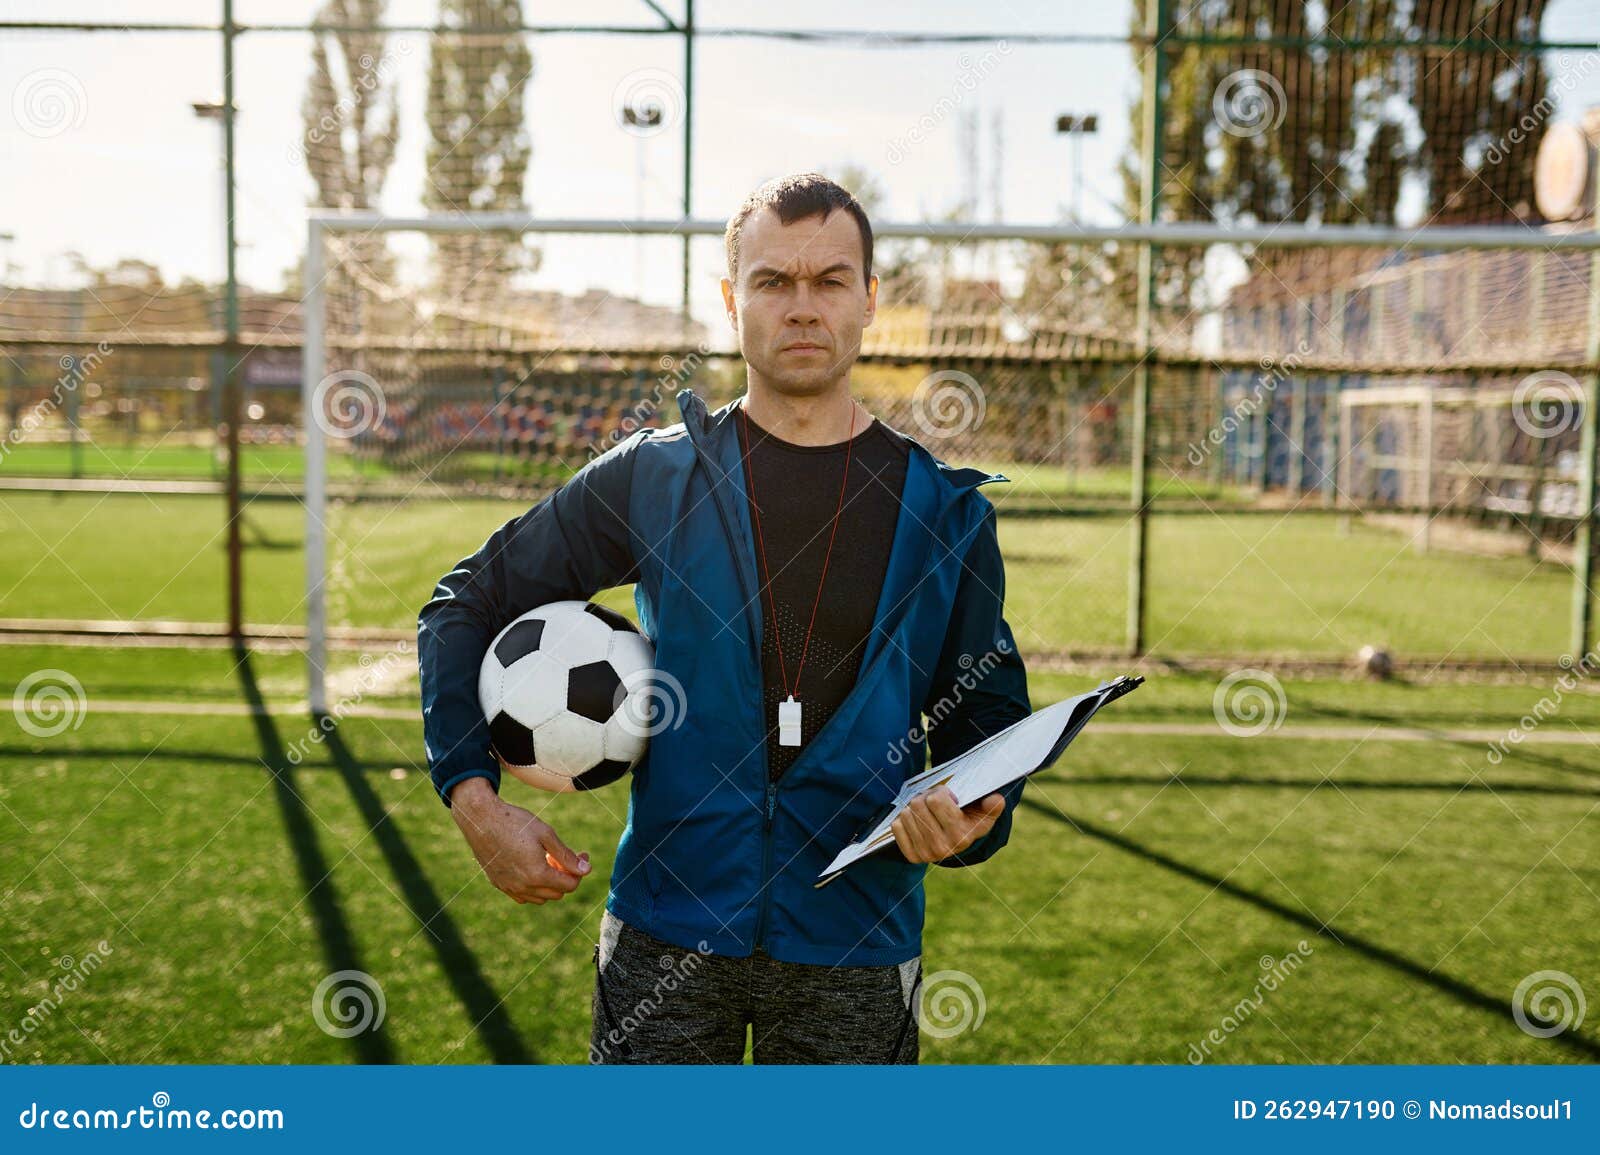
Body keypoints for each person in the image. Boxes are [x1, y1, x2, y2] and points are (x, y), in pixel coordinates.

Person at [417, 172, 1031, 1064]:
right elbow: (464, 602)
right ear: (730, 301)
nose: (802, 307)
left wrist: (976, 811)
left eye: (829, 281)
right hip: (668, 931)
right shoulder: (654, 478)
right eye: (773, 281)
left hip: (856, 945)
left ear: (868, 300)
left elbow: (991, 725)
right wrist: (475, 801)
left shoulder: (947, 514)